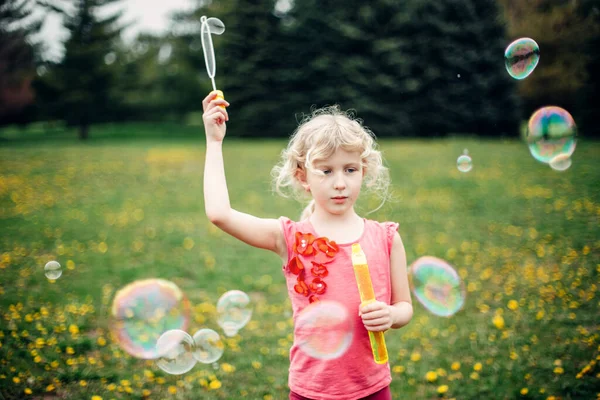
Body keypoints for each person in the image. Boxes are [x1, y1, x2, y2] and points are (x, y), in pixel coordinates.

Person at [202, 91, 413, 400]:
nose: (340, 182)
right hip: (312, 391)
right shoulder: (290, 238)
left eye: (350, 169)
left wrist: (393, 316)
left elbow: (404, 306)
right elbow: (220, 214)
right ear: (303, 177)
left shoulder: (387, 237)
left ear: (363, 172)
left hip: (373, 388)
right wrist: (214, 142)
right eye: (326, 171)